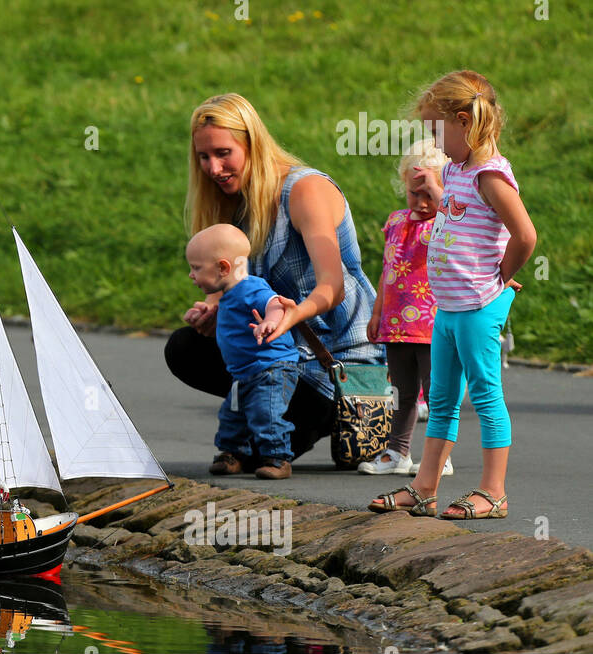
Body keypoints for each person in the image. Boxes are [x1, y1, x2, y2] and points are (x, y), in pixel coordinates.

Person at [167, 93, 383, 473]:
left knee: (255, 456)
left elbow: (332, 286)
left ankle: (346, 407)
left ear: (252, 143)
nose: (214, 168)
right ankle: (267, 414)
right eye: (204, 157)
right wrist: (216, 311)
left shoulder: (304, 190)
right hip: (277, 354)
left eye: (223, 153)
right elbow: (239, 290)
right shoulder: (233, 203)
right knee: (185, 347)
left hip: (334, 356)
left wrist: (292, 314)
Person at [371, 71, 535, 520]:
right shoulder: (459, 170)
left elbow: (524, 234)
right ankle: (425, 486)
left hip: (477, 306)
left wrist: (501, 275)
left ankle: (493, 490)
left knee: (485, 395)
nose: (433, 141)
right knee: (441, 399)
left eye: (436, 131)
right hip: (448, 307)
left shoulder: (489, 175)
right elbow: (462, 222)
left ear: (463, 121)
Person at [359, 139, 453, 477]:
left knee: (437, 391)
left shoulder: (444, 222)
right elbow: (388, 270)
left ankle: (439, 455)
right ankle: (398, 452)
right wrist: (375, 313)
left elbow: (455, 216)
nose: (423, 201)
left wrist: (439, 191)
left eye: (431, 192)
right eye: (416, 193)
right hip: (396, 324)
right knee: (401, 391)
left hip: (432, 325)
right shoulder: (396, 221)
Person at [186, 224, 301, 478]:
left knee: (266, 413)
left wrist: (271, 320)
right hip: (245, 372)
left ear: (223, 268)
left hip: (271, 367)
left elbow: (275, 302)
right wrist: (200, 313)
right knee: (232, 416)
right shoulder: (228, 294)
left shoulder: (250, 287)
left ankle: (277, 458)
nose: (191, 275)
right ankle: (233, 453)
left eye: (196, 268)